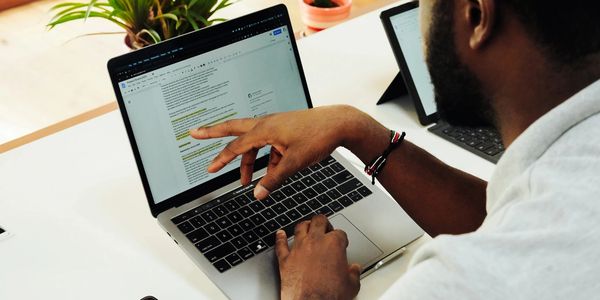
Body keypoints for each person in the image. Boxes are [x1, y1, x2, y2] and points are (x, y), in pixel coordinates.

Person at [189, 0, 600, 298]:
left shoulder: (465, 283)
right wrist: (361, 131)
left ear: (476, 15)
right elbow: (512, 218)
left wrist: (311, 298)